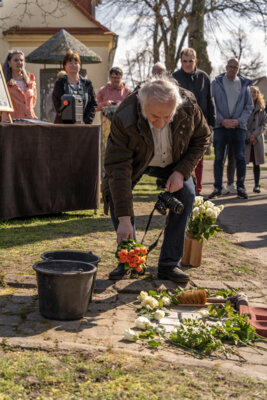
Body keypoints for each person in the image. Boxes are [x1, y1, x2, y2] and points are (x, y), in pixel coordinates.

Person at [102, 76, 211, 283]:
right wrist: (124, 220)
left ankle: (169, 264)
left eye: (167, 116)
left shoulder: (188, 107)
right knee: (114, 193)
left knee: (187, 195)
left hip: (174, 161)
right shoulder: (125, 117)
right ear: (142, 105)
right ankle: (130, 261)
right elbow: (118, 168)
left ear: (176, 106)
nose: (161, 123)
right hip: (137, 161)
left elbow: (202, 138)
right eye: (154, 117)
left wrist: (181, 172)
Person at [207, 58, 253, 200]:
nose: (233, 69)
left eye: (236, 67)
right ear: (226, 67)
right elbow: (211, 103)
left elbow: (249, 106)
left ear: (238, 69)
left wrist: (238, 121)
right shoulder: (216, 84)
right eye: (231, 66)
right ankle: (218, 188)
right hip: (221, 127)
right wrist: (222, 120)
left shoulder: (245, 85)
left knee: (240, 158)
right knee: (219, 158)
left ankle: (240, 187)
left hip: (239, 128)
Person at [173, 48, 215, 195]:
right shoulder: (174, 77)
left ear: (195, 61)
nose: (188, 64)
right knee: (180, 158)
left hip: (200, 124)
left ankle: (197, 191)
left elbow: (210, 101)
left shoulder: (204, 77)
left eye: (191, 61)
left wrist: (211, 123)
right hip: (181, 125)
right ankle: (182, 188)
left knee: (198, 159)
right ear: (181, 61)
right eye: (185, 61)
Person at [52, 50, 97, 124]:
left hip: (83, 126)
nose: (73, 65)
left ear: (79, 66)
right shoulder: (60, 83)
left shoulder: (87, 84)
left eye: (76, 63)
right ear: (65, 66)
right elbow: (57, 103)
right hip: (64, 125)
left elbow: (93, 103)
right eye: (70, 63)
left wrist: (87, 121)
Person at [2, 49, 37, 121]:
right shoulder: (3, 81)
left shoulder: (31, 80)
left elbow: (33, 102)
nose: (19, 62)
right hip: (11, 123)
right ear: (9, 63)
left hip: (30, 122)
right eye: (16, 60)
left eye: (21, 60)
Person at [245, 86, 266, 193]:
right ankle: (241, 185)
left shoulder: (262, 108)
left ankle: (256, 185)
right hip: (246, 140)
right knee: (243, 163)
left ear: (258, 94)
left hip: (257, 140)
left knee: (256, 164)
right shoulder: (244, 106)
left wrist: (255, 135)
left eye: (255, 92)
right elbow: (243, 122)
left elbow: (264, 124)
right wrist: (249, 135)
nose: (252, 93)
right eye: (251, 92)